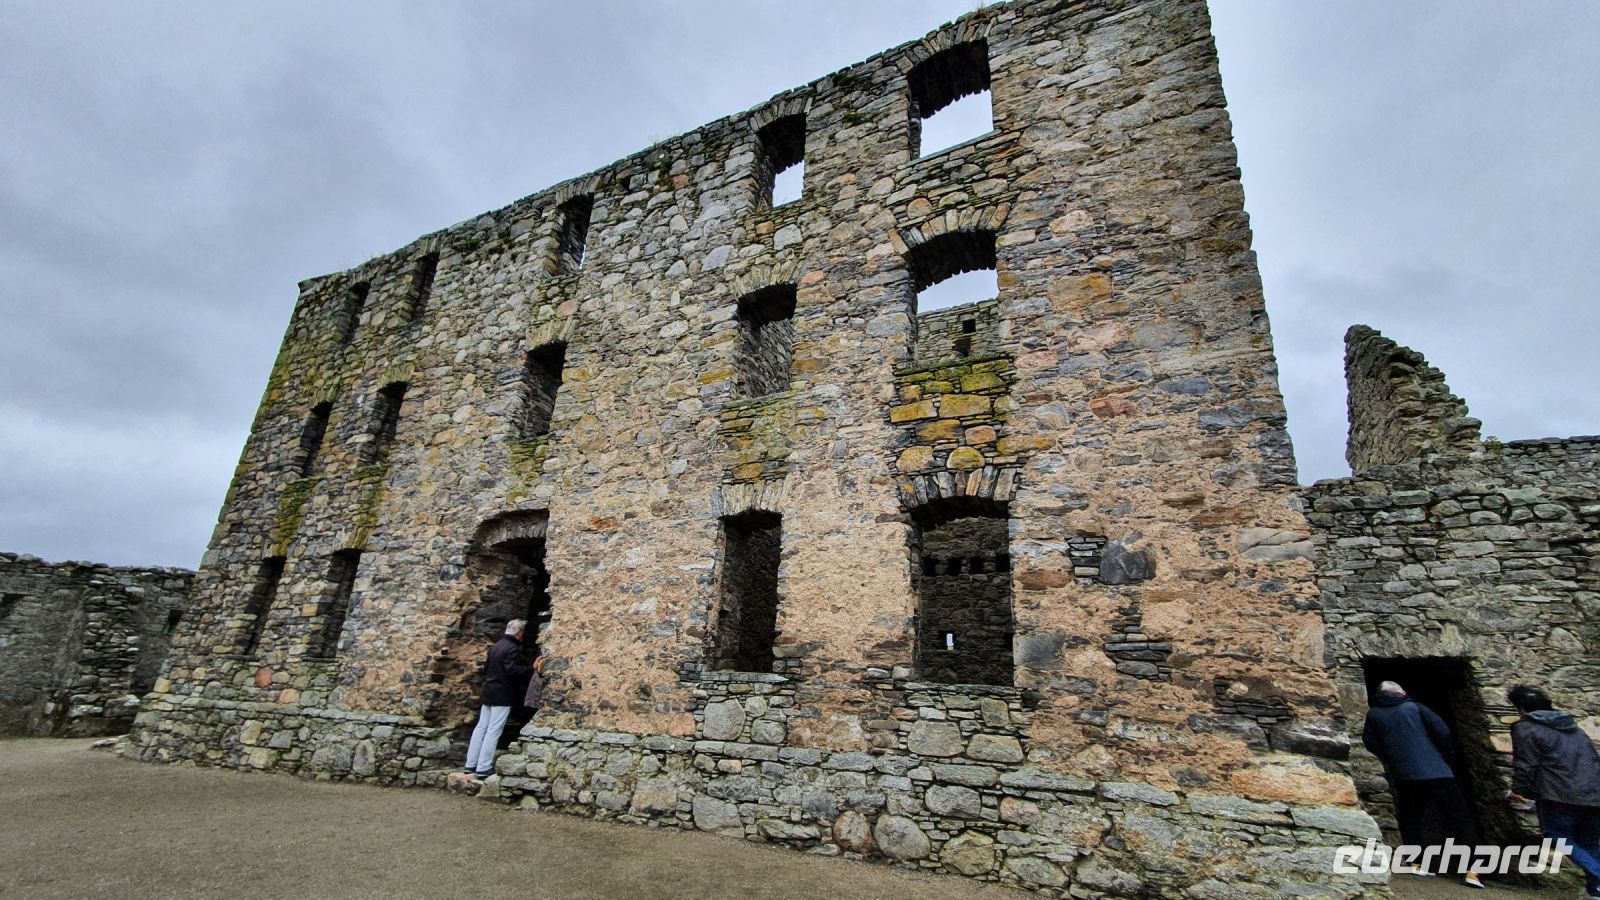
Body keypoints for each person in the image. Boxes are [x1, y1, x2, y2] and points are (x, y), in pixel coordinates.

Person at [1362, 680, 1485, 888]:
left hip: (1405, 774)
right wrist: (1446, 756)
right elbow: (1442, 731)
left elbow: (1370, 741)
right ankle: (1472, 870)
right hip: (1437, 771)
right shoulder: (1416, 707)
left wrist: (1392, 757)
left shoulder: (1374, 714)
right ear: (1401, 692)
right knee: (1461, 817)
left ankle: (1417, 863)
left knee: (1411, 818)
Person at [1506, 685, 1600, 899]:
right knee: (1589, 841)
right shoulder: (1573, 727)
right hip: (1594, 790)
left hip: (1558, 792)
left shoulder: (1526, 728)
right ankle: (1595, 889)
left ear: (1521, 708)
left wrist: (1519, 790)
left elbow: (1525, 763)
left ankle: (1598, 877)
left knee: (1556, 835)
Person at [462, 619, 533, 781]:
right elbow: (512, 670)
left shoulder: (495, 647)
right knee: (494, 730)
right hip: (503, 694)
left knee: (481, 728)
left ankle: (470, 765)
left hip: (489, 691)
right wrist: (531, 669)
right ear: (520, 633)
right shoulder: (512, 648)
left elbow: (486, 669)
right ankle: (483, 768)